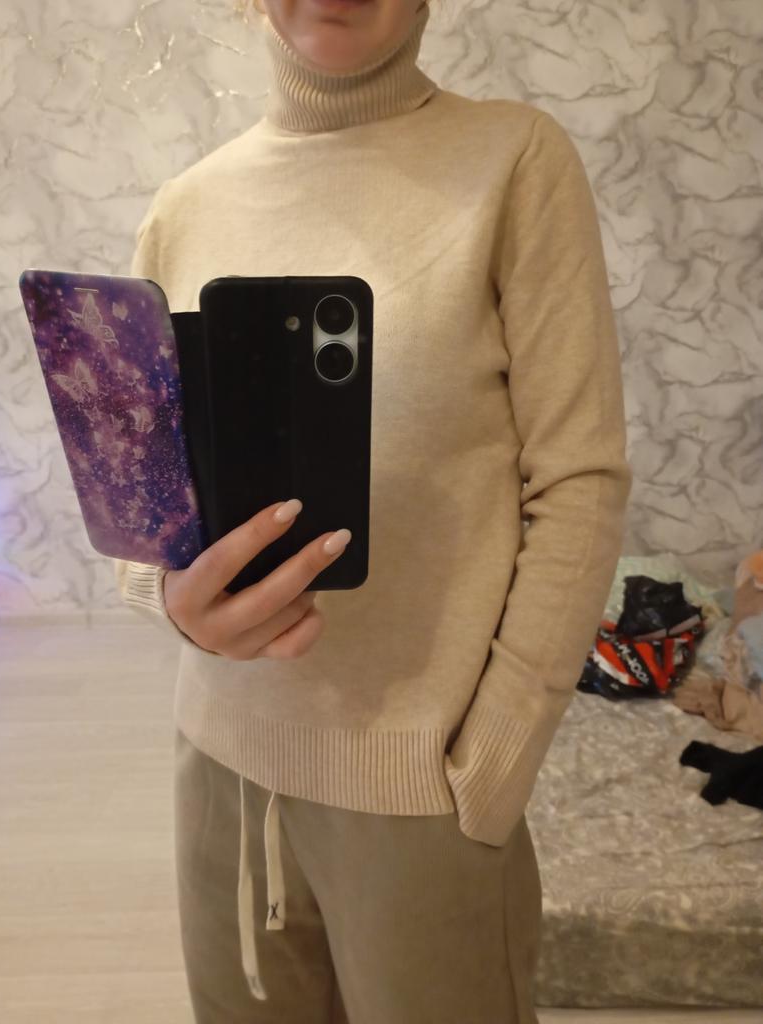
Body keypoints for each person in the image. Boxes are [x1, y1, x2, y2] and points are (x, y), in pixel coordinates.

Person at [114, 0, 633, 1020]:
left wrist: (489, 765)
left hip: (422, 789)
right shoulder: (187, 204)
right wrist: (165, 598)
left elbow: (578, 481)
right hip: (218, 768)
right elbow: (140, 492)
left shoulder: (513, 160)